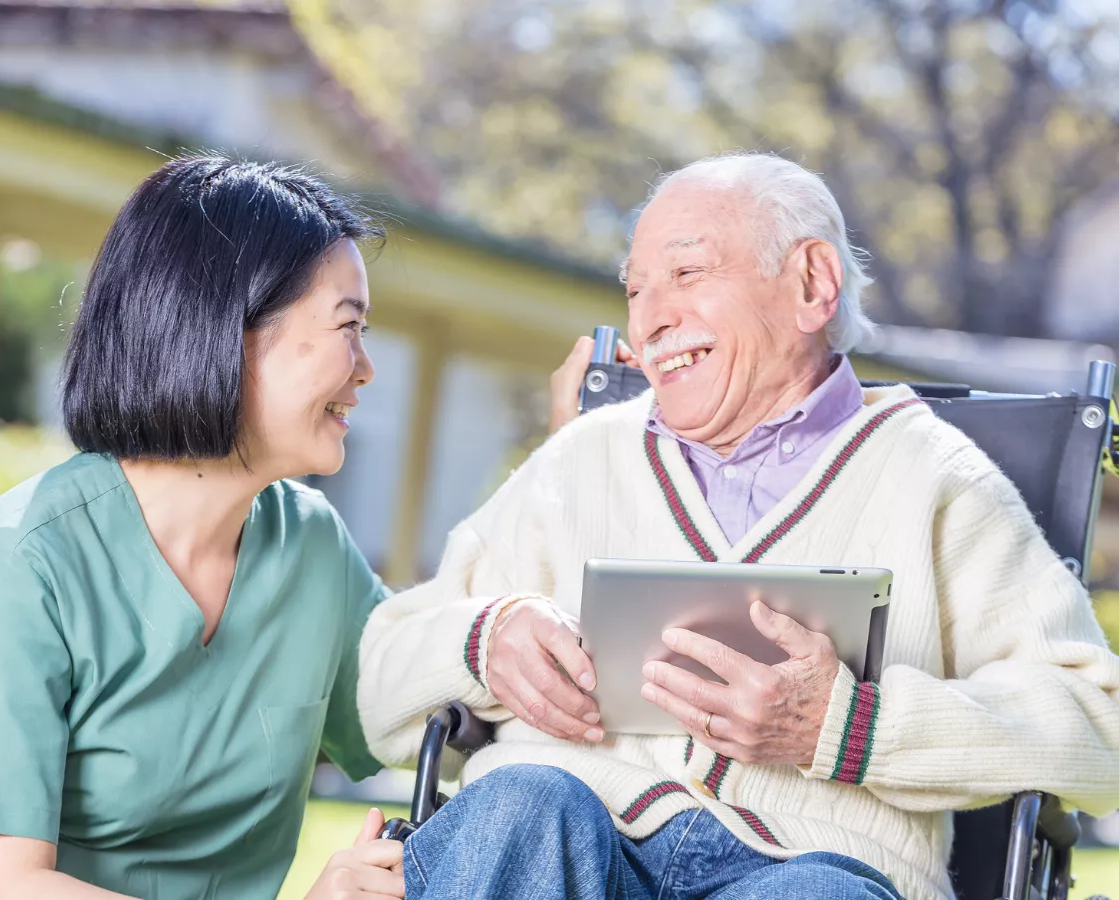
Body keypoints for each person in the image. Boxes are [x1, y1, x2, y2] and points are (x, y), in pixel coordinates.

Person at [357, 152, 1119, 900]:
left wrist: (851, 726)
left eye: (687, 274)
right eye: (635, 290)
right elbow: (382, 687)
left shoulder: (937, 481)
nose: (651, 319)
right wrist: (483, 641)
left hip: (815, 866)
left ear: (813, 284)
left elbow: (1100, 730)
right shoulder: (582, 460)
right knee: (522, 806)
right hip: (561, 835)